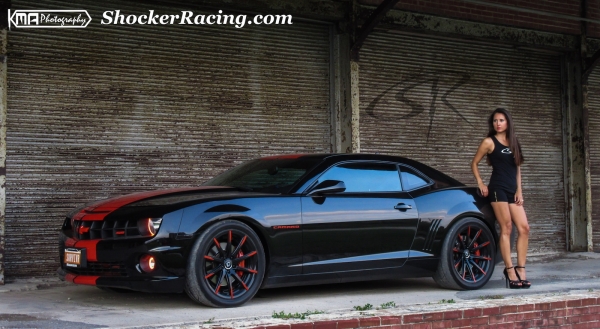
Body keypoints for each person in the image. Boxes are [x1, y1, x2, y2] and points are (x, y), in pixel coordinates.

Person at [471, 108, 531, 289]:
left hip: (512, 190)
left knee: (524, 228)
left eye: (501, 120)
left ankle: (521, 269)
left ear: (508, 122)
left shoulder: (514, 142)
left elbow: (517, 168)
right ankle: (509, 269)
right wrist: (481, 183)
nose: (498, 123)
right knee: (506, 227)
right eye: (495, 120)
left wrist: (519, 190)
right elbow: (474, 163)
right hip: (497, 189)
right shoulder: (489, 142)